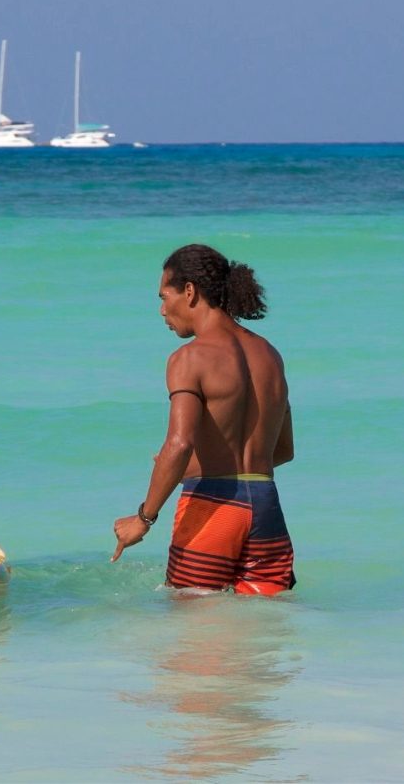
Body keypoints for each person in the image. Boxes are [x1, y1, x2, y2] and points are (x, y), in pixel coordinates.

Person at [110, 244, 296, 594]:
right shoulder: (270, 355)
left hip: (212, 507)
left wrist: (143, 518)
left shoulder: (189, 358)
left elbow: (179, 444)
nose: (163, 310)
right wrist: (202, 465)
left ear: (190, 291)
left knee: (193, 638)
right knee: (262, 636)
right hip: (266, 507)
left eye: (165, 296)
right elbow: (284, 450)